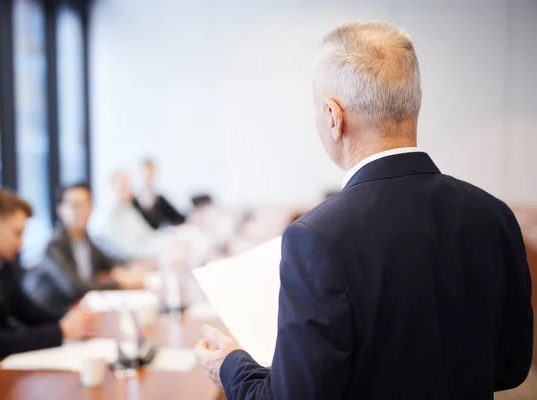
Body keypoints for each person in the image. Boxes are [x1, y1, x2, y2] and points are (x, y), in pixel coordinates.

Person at [195, 21, 533, 399]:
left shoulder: (317, 238)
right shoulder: (494, 215)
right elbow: (512, 366)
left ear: (333, 117)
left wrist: (231, 365)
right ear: (416, 100)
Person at [0, 190, 100, 393]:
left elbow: (26, 311)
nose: (21, 243)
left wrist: (70, 318)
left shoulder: (0, 264)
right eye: (17, 233)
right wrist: (61, 331)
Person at [23, 183, 144, 314]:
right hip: (53, 315)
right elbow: (75, 287)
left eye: (87, 204)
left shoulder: (86, 239)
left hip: (81, 311)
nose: (83, 211)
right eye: (75, 206)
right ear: (60, 210)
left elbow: (111, 262)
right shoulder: (55, 247)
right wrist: (120, 284)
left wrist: (125, 270)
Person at [99, 171, 163, 259]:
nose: (129, 191)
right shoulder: (109, 216)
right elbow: (126, 251)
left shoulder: (127, 209)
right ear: (112, 188)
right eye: (123, 187)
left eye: (129, 187)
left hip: (146, 252)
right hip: (133, 262)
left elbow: (147, 234)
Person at [132, 159, 185, 229]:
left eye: (152, 172)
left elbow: (177, 217)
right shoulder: (134, 202)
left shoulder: (160, 198)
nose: (151, 176)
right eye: (148, 172)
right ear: (141, 173)